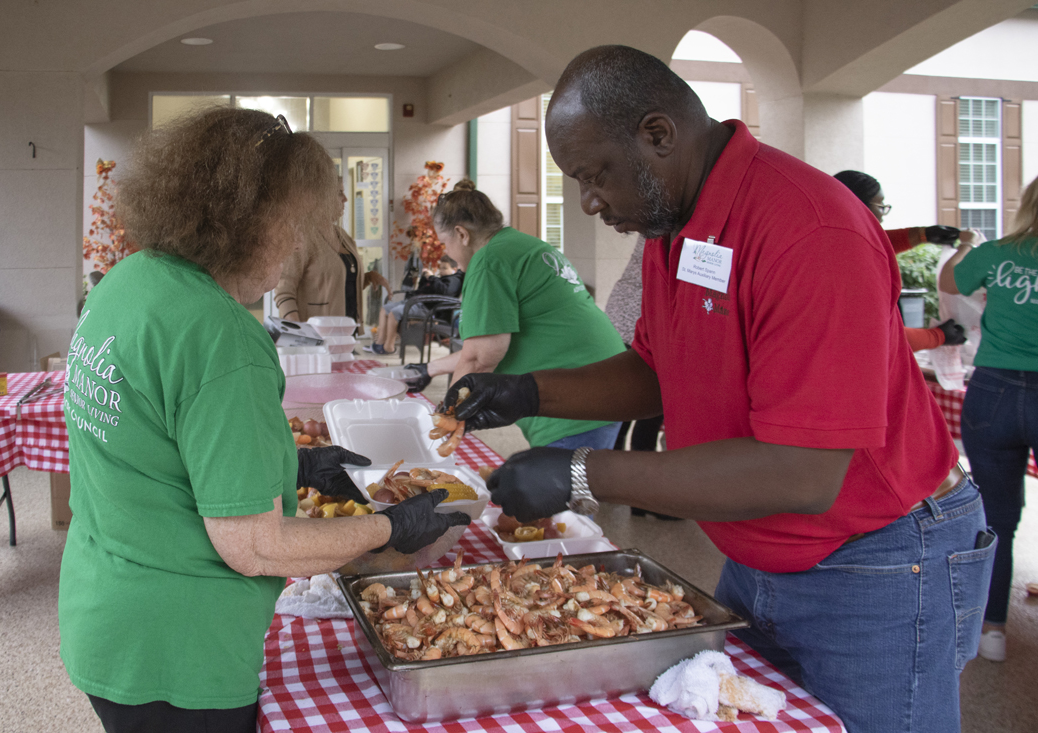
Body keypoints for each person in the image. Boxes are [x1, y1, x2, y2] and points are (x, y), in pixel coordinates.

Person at [442, 46, 994, 733]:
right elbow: (655, 372)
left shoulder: (808, 229)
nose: (588, 201)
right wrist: (529, 391)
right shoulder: (674, 222)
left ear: (658, 135)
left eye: (594, 175)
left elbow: (803, 472)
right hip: (758, 553)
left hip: (875, 558)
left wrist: (582, 472)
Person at [58, 108, 468, 733]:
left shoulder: (127, 283)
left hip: (106, 614)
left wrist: (291, 464)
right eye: (293, 224)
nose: (296, 244)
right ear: (243, 220)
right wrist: (386, 528)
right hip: (183, 650)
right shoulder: (220, 336)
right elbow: (256, 547)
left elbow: (154, 445)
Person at [417, 178, 626, 450]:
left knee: (559, 489)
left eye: (444, 242)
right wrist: (428, 369)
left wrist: (445, 418)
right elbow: (490, 344)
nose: (447, 252)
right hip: (604, 381)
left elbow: (479, 360)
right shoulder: (517, 244)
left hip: (574, 400)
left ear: (462, 234)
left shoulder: (488, 261)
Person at [938, 174, 1038, 663]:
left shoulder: (998, 253)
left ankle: (992, 629)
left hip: (994, 390)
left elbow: (949, 281)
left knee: (997, 516)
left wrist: (965, 246)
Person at [833, 169, 967, 351]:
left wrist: (922, 234)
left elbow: (874, 245)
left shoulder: (829, 244)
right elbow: (880, 335)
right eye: (880, 206)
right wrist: (938, 336)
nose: (882, 215)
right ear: (859, 207)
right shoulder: (854, 269)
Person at [604, 235, 677, 520]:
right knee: (650, 409)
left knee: (623, 411)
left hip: (621, 317)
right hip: (646, 320)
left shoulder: (652, 225)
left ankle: (613, 486)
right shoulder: (673, 226)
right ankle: (644, 498)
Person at [274, 185, 389, 333]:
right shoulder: (302, 237)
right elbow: (284, 289)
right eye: (340, 193)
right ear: (321, 199)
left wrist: (368, 277)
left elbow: (337, 284)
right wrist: (298, 330)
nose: (345, 199)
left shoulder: (343, 235)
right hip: (317, 335)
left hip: (347, 332)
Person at [370, 254, 464, 355]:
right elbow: (422, 289)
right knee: (385, 309)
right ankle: (380, 343)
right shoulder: (441, 279)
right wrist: (424, 278)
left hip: (426, 308)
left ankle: (389, 348)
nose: (441, 271)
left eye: (444, 268)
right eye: (440, 268)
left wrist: (431, 276)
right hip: (415, 301)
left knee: (394, 313)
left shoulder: (454, 280)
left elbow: (445, 291)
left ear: (454, 269)